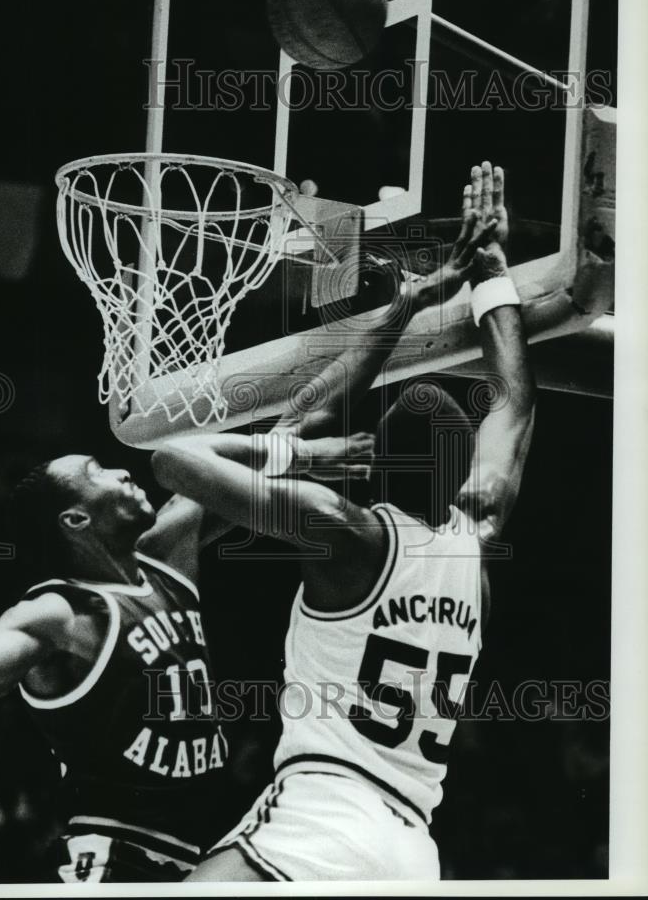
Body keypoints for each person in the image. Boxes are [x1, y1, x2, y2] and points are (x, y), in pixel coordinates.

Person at [150, 161, 536, 881]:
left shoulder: (340, 527)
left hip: (324, 815)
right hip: (415, 845)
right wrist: (492, 270)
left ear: (377, 462)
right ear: (459, 478)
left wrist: (305, 444)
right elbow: (515, 401)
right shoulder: (475, 536)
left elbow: (173, 459)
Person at [0, 455, 233, 882]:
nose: (122, 471)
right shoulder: (57, 613)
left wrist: (320, 435)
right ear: (75, 518)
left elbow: (272, 459)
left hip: (213, 850)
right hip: (119, 855)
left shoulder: (166, 557)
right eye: (96, 471)